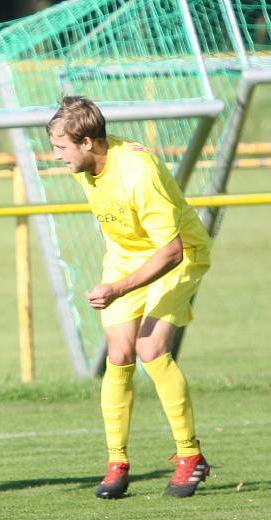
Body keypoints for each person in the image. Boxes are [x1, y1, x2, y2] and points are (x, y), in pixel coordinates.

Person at [46, 96, 212, 499]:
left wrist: (118, 288)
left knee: (151, 348)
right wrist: (117, 275)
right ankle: (117, 462)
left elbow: (170, 251)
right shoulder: (85, 164)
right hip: (125, 258)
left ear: (87, 142)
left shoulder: (138, 172)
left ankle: (190, 455)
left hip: (178, 254)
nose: (55, 156)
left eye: (60, 147)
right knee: (119, 355)